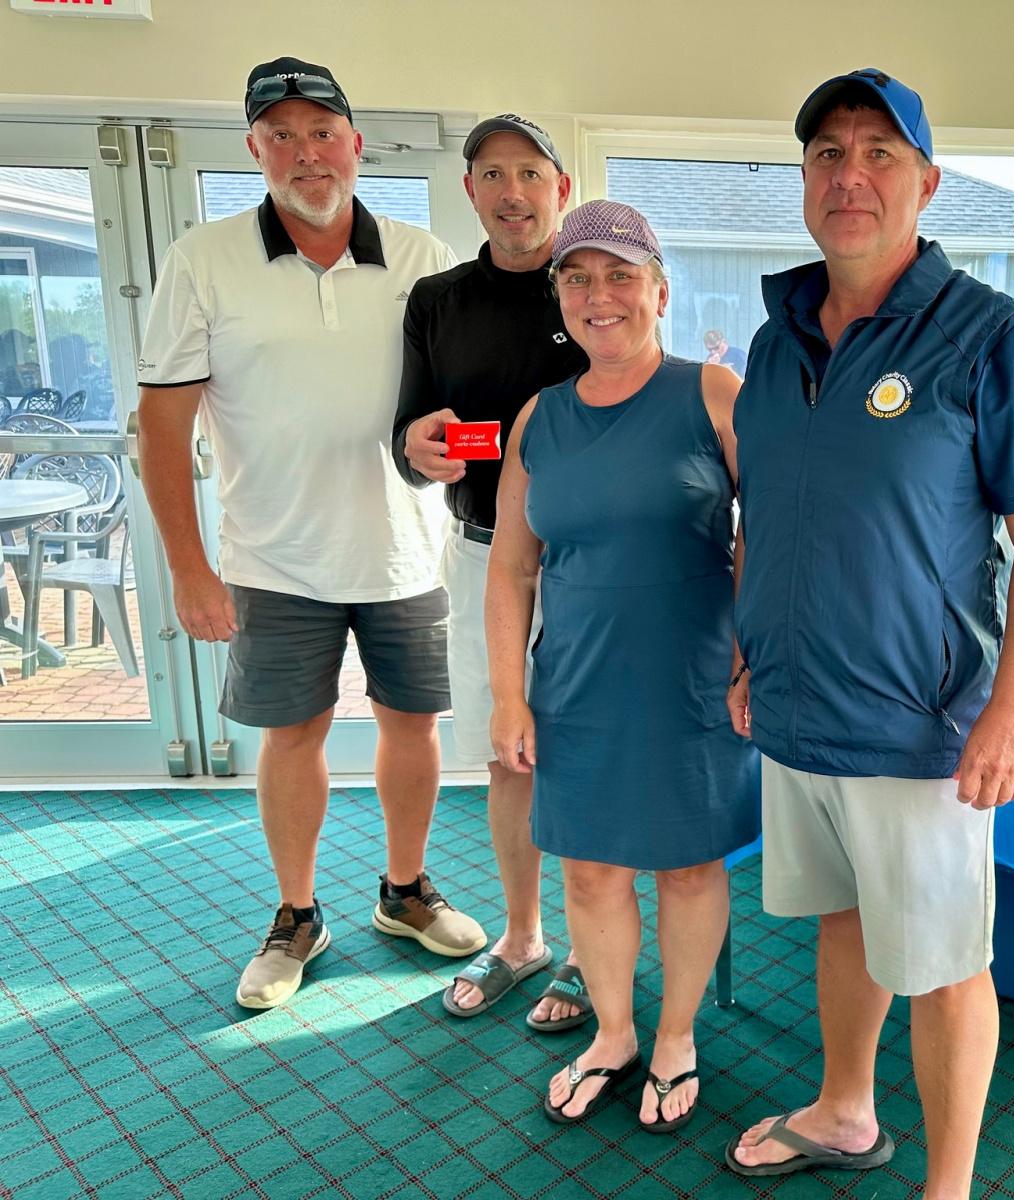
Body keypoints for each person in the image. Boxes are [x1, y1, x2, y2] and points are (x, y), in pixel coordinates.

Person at [725, 69, 1014, 1197]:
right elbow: (765, 521)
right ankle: (842, 1111)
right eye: (828, 153)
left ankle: (949, 1186)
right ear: (802, 184)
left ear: (925, 183)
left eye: (879, 153)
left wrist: (1012, 709)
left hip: (918, 726)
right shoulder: (775, 345)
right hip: (794, 714)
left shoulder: (990, 337)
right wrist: (747, 657)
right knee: (841, 922)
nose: (850, 176)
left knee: (941, 968)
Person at [137, 57, 485, 1010]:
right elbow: (161, 424)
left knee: (413, 727)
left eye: (322, 132)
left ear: (356, 144)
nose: (306, 153)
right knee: (295, 736)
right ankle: (297, 915)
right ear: (254, 149)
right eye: (281, 135)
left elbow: (462, 401)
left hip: (405, 548)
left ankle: (405, 892)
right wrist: (189, 567)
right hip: (271, 556)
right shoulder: (203, 258)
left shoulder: (420, 259)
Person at [484, 199, 757, 1133]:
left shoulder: (713, 391)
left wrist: (748, 657)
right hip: (578, 682)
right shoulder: (539, 418)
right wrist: (509, 697)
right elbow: (513, 566)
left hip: (694, 680)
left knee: (687, 867)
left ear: (659, 291)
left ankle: (675, 1035)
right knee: (591, 871)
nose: (599, 296)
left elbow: (768, 529)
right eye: (577, 277)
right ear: (559, 295)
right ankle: (613, 1032)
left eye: (620, 275)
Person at [391, 114, 593, 1031]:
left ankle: (592, 949)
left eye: (530, 173)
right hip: (481, 556)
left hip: (598, 565)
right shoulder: (437, 299)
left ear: (560, 185)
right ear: (471, 190)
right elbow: (409, 433)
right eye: (493, 174)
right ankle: (524, 936)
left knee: (587, 759)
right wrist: (418, 450)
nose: (513, 192)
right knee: (507, 757)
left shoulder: (593, 284)